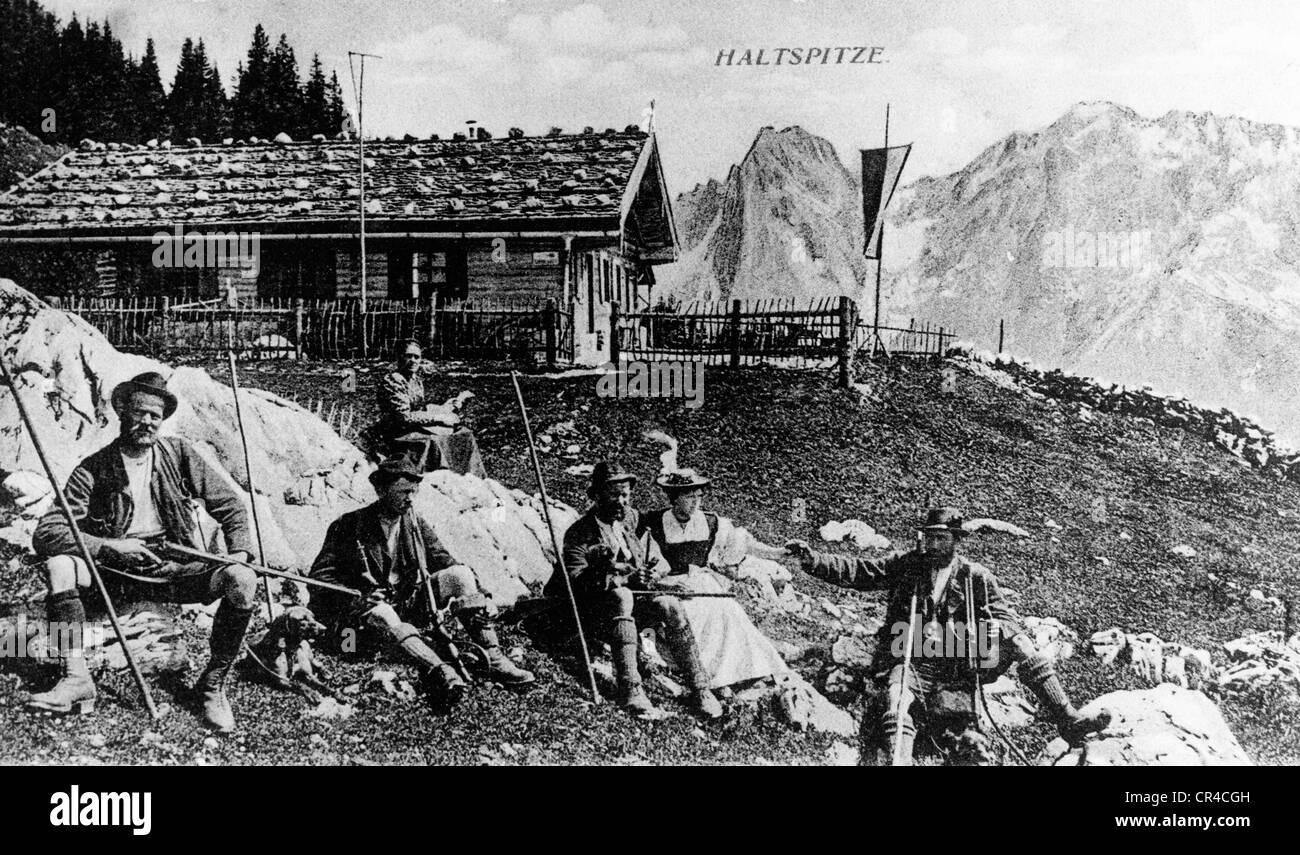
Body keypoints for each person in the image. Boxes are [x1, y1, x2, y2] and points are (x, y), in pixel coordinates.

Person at [786, 507, 1111, 765]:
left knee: (1017, 638)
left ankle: (1067, 717)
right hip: (911, 653)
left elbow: (1003, 613)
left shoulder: (974, 576)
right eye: (930, 538)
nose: (934, 545)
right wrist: (813, 559)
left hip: (958, 658)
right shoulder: (908, 565)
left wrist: (996, 629)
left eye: (942, 538)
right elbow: (860, 572)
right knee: (898, 701)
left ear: (956, 540)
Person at [28, 372, 259, 733]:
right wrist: (111, 547)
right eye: (140, 412)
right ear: (122, 410)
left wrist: (241, 552)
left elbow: (231, 506)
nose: (148, 421)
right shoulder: (94, 468)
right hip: (114, 573)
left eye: (156, 415)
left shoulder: (179, 453)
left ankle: (213, 686)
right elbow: (49, 532)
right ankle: (75, 678)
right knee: (60, 565)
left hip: (175, 568)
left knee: (243, 580)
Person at [308, 458, 534, 708]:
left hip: (405, 608)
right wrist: (358, 599)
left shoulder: (413, 522)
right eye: (403, 492)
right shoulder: (348, 526)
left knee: (459, 574)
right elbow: (320, 579)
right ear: (381, 491)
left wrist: (483, 595)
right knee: (382, 612)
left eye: (413, 492)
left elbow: (444, 560)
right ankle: (440, 670)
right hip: (355, 626)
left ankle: (494, 658)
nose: (410, 498)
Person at [551, 461, 723, 720]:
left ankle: (700, 688)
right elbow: (575, 580)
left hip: (629, 604)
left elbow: (646, 558)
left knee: (669, 605)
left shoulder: (629, 518)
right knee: (622, 596)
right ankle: (630, 687)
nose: (622, 501)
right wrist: (623, 576)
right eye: (614, 495)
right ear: (596, 496)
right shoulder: (580, 533)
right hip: (589, 609)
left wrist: (651, 573)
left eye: (626, 495)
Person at [637, 469, 790, 689]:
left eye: (699, 497)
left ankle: (746, 670)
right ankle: (696, 674)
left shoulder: (711, 522)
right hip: (670, 584)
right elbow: (649, 561)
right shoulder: (655, 523)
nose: (695, 503)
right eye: (690, 497)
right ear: (674, 498)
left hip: (702, 581)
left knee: (729, 612)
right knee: (686, 615)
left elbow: (744, 543)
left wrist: (778, 552)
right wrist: (660, 579)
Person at [365, 339, 485, 477]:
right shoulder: (393, 381)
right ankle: (439, 478)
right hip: (396, 432)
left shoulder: (415, 379)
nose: (413, 360)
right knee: (433, 442)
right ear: (399, 357)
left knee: (463, 434)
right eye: (408, 356)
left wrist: (447, 406)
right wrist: (438, 418)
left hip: (414, 427)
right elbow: (404, 417)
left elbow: (420, 408)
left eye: (417, 357)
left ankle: (471, 478)